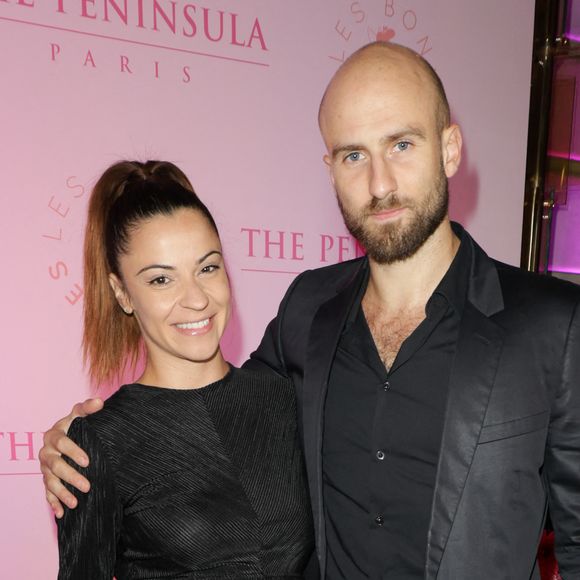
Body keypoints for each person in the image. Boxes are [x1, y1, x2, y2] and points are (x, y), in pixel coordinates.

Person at [41, 42, 580, 579]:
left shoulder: (552, 327)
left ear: (450, 149)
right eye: (353, 155)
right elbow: (211, 408)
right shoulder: (307, 310)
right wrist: (80, 444)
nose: (380, 183)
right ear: (330, 170)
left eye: (401, 145)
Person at [51, 159, 314, 579]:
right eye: (161, 280)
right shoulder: (99, 443)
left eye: (207, 268)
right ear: (122, 293)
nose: (196, 299)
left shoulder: (281, 397)